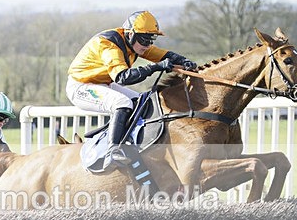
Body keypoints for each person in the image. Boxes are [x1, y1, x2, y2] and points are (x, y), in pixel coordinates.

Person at [66, 10, 198, 167]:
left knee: (142, 102)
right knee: (122, 103)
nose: (147, 45)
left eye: (151, 39)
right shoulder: (109, 46)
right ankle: (112, 151)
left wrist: (185, 61)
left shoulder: (135, 43)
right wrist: (155, 67)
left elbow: (163, 54)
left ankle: (132, 142)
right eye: (144, 40)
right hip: (81, 86)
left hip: (103, 83)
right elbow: (122, 77)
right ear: (130, 34)